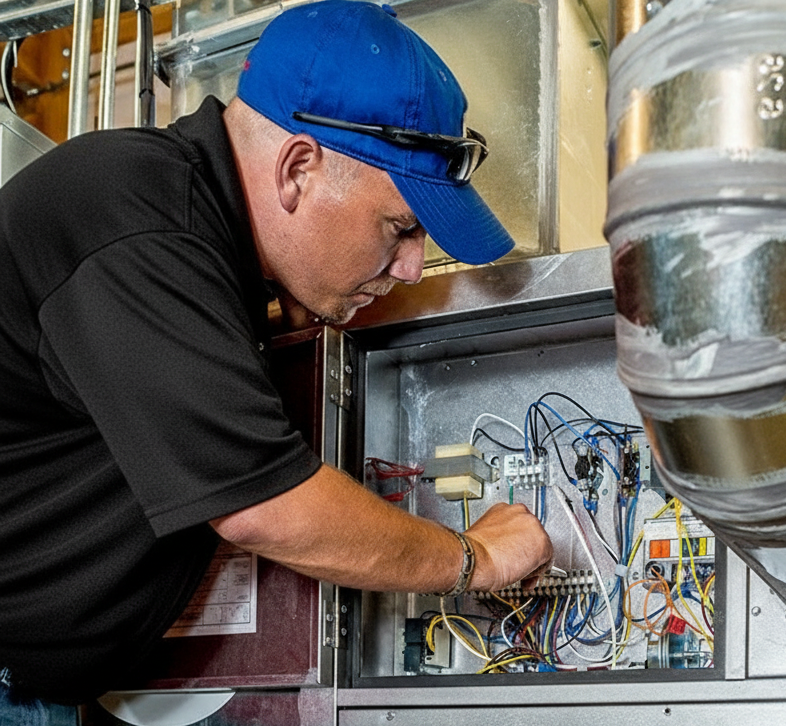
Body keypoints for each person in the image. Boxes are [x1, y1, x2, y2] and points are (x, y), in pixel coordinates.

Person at [0, 0, 553, 713]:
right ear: (298, 168)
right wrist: (474, 560)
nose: (413, 268)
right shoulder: (137, 221)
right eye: (400, 227)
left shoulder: (186, 226)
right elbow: (263, 505)